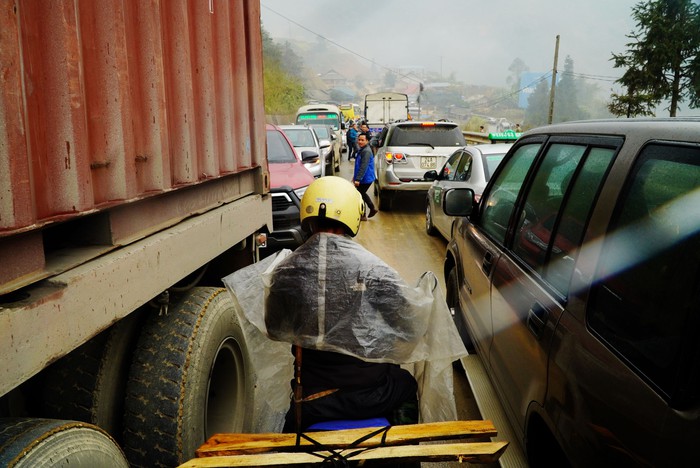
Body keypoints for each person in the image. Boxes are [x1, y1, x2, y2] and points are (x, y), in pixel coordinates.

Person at [265, 176, 419, 433]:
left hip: (312, 400)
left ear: (308, 218)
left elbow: (274, 328)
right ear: (353, 218)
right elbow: (408, 328)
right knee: (407, 384)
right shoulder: (375, 270)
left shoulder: (286, 271)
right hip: (373, 395)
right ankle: (402, 449)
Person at [353, 132, 378, 219]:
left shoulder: (366, 151)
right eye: (359, 140)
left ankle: (371, 209)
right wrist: (355, 177)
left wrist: (358, 179)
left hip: (366, 178)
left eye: (362, 140)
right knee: (361, 194)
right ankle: (364, 214)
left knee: (361, 194)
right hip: (363, 178)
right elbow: (358, 165)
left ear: (367, 141)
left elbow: (363, 166)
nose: (360, 142)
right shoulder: (362, 150)